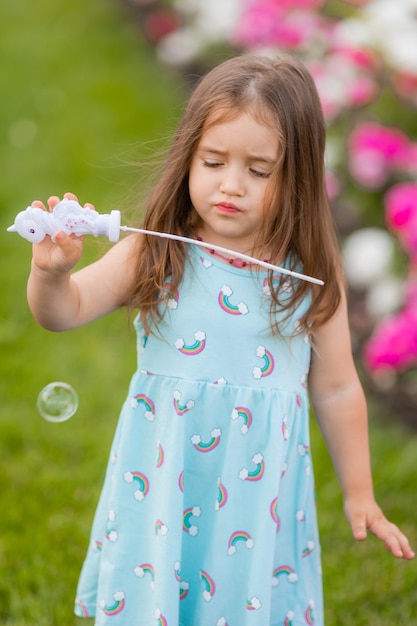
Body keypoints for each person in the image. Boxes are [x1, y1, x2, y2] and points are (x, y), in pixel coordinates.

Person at [26, 54, 414, 626]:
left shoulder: (304, 279)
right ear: (189, 156)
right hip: (163, 482)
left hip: (253, 507)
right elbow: (65, 312)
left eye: (259, 171)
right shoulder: (160, 251)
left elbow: (335, 388)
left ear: (298, 178)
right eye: (213, 161)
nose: (231, 185)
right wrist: (52, 274)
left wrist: (360, 493)